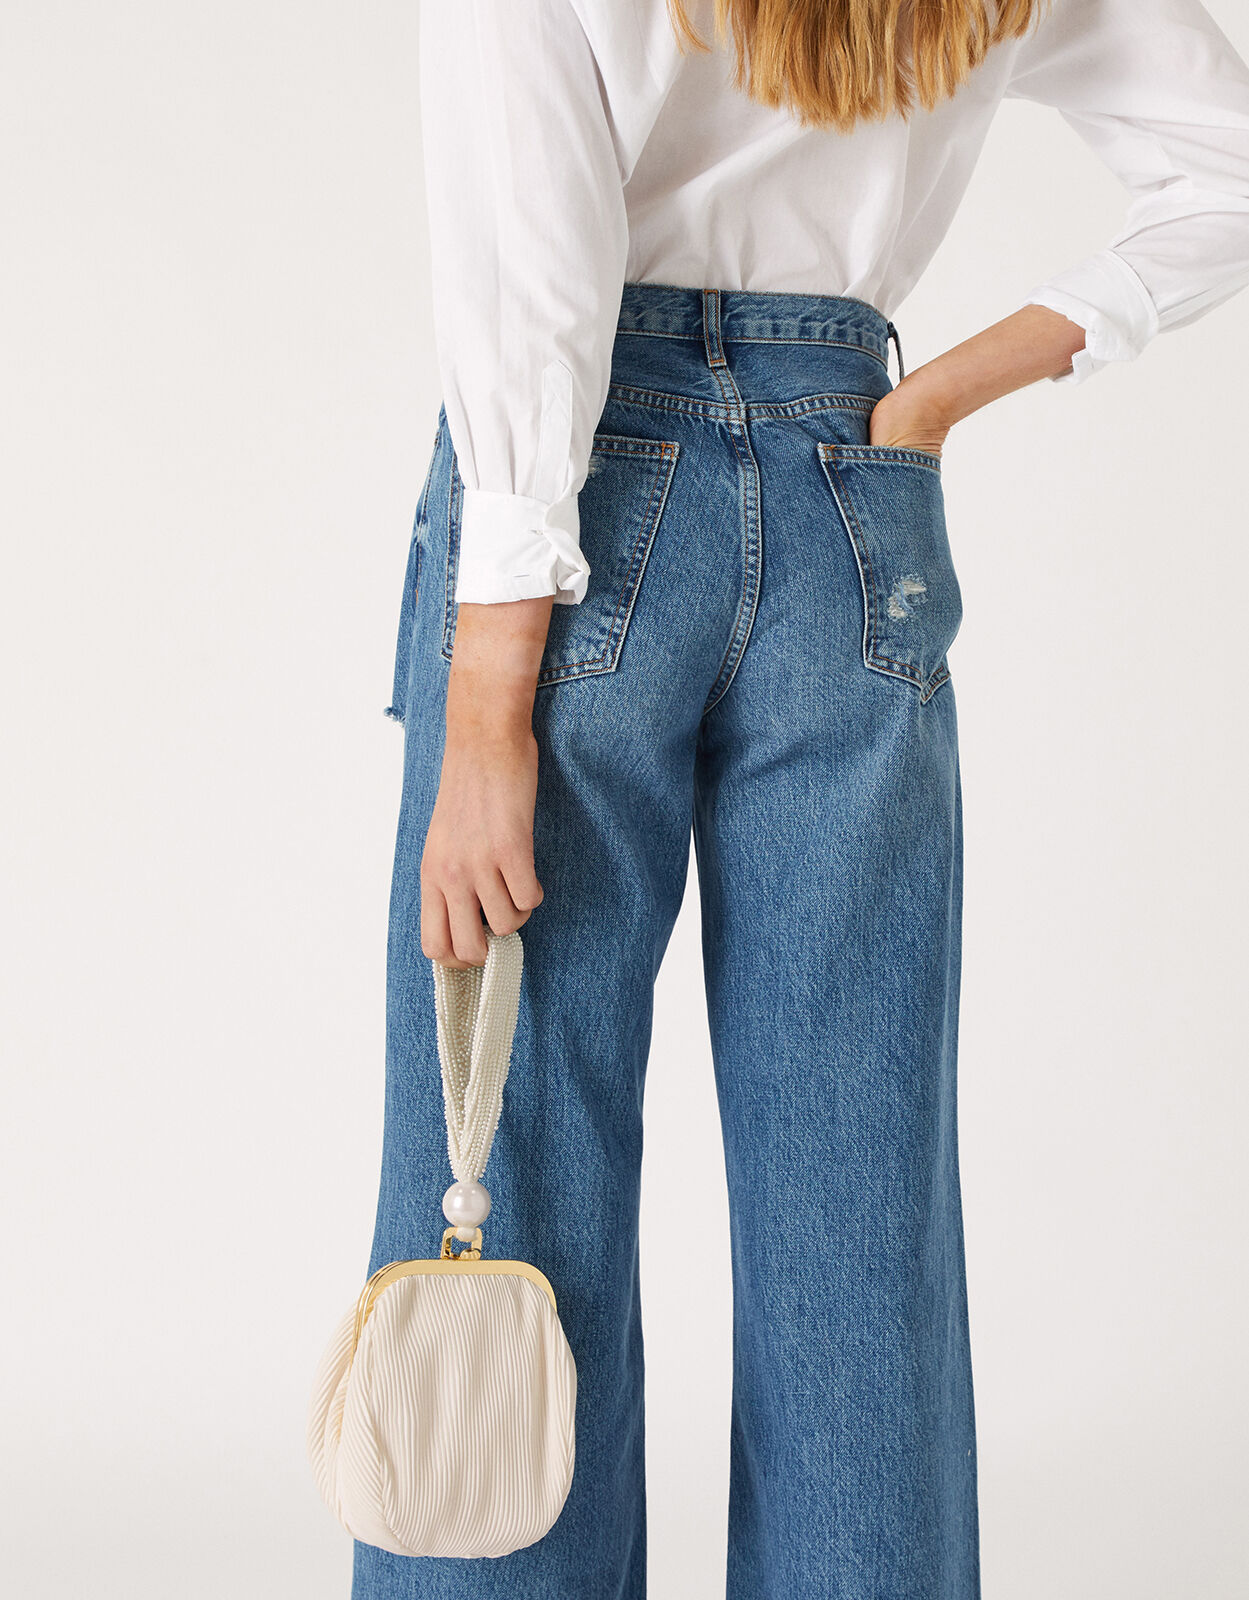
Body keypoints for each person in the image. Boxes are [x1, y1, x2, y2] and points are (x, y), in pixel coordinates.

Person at [359, 2, 1249, 1596]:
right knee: (856, 1189)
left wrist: (487, 710)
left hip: (574, 534)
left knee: (504, 1161)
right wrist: (925, 402)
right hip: (851, 487)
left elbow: (532, 289)